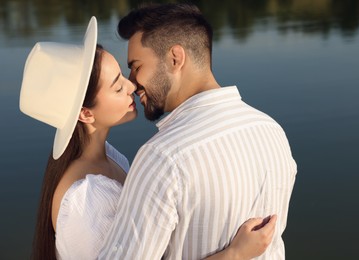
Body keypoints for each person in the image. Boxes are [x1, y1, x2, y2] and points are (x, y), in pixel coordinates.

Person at [20, 17, 276, 260]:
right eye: (118, 86)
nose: (132, 86)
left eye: (123, 74)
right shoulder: (85, 201)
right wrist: (234, 254)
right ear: (86, 113)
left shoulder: (108, 156)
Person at [99, 3, 297, 260]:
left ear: (175, 58)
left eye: (136, 66)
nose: (131, 82)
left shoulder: (163, 157)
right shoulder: (272, 131)